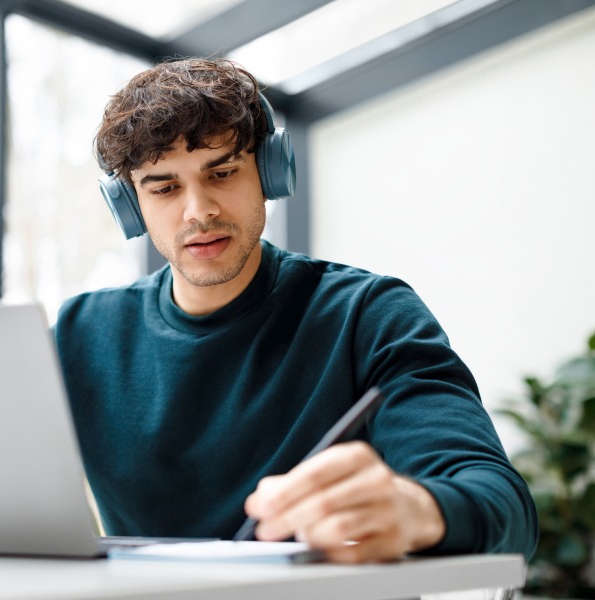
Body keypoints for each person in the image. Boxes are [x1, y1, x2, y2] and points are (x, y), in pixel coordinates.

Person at [53, 57, 538, 563]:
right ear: (130, 205)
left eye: (222, 172)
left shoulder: (367, 315)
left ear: (270, 172)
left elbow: (504, 507)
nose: (199, 211)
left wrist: (416, 510)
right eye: (165, 187)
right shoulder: (78, 335)